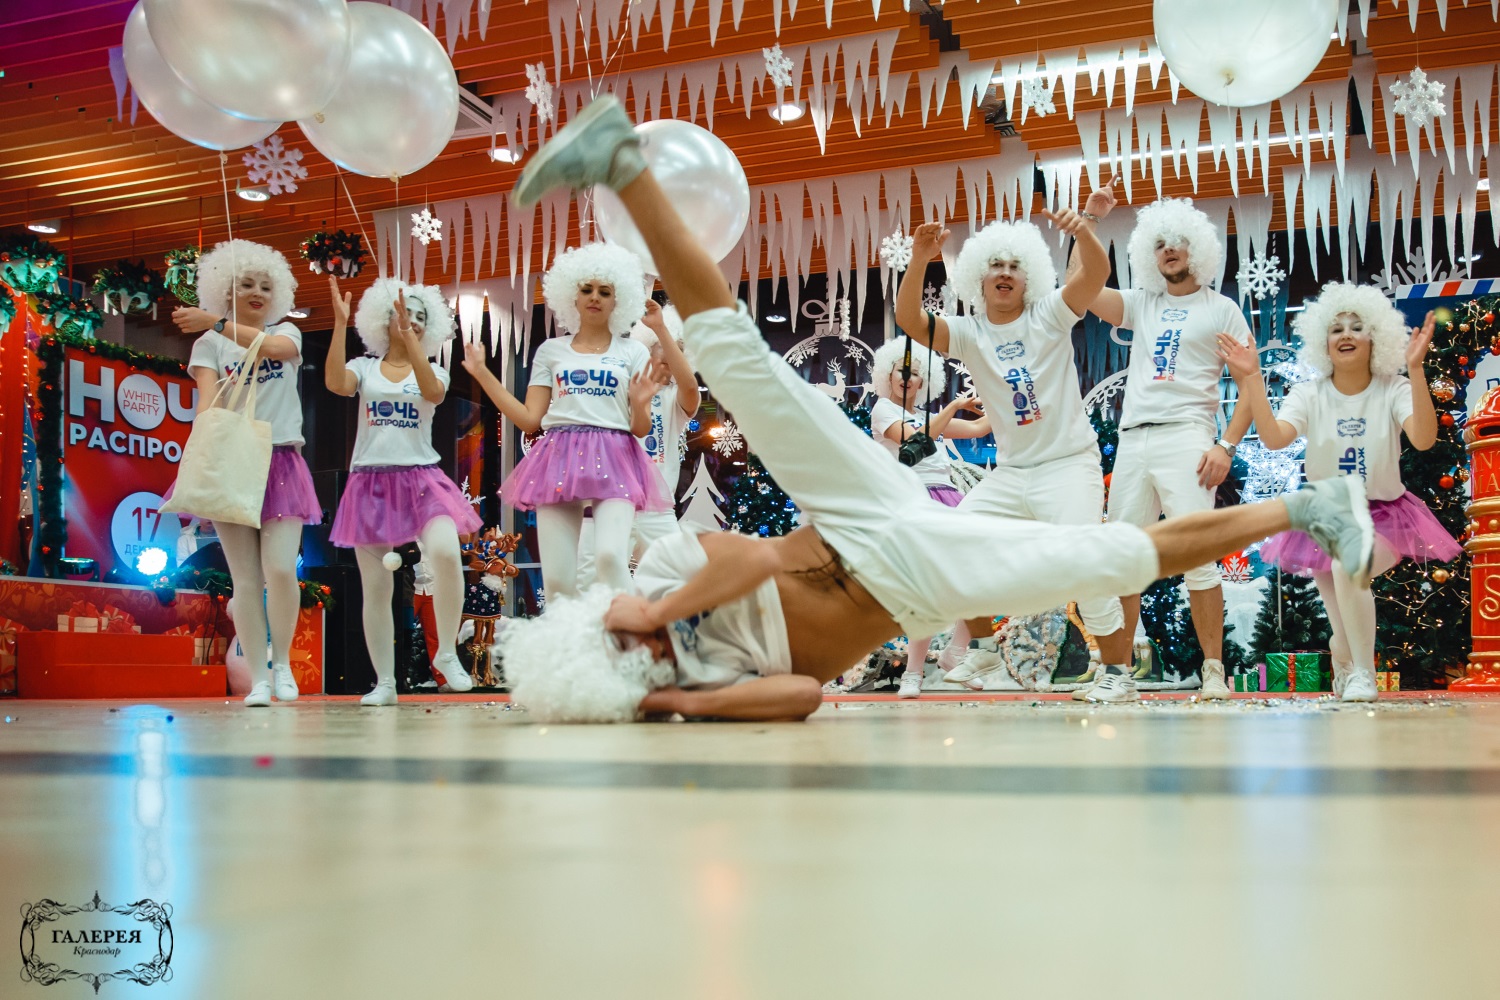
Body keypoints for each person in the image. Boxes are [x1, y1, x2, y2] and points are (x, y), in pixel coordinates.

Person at [494, 94, 1376, 723]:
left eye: (611, 638)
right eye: (623, 658)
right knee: (1108, 556)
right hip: (917, 577)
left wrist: (656, 615)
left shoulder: (658, 584)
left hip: (864, 510)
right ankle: (1308, 507)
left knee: (738, 362)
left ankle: (622, 163)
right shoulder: (700, 684)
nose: (630, 642)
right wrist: (676, 697)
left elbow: (754, 554)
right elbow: (800, 695)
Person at [890, 185, 1134, 692]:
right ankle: (982, 652)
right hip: (1013, 473)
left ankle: (1117, 675)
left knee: (1087, 570)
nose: (1004, 272)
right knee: (951, 544)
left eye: (1015, 266)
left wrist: (1085, 230)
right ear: (979, 278)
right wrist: (919, 261)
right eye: (995, 265)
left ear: (1029, 278)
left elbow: (1095, 275)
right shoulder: (969, 332)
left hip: (1068, 466)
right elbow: (910, 321)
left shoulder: (1050, 313)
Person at [1220, 283, 1459, 702]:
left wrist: (1416, 371)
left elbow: (1423, 439)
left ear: (1375, 338)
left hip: (1383, 515)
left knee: (1352, 564)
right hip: (1324, 515)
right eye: (1336, 329)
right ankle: (1344, 658)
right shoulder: (1309, 393)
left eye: (1356, 327)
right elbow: (1274, 439)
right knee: (1341, 615)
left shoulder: (1393, 388)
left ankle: (1363, 673)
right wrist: (1253, 378)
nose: (1345, 334)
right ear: (1323, 342)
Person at [1073, 195, 1256, 703]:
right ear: (1148, 254)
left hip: (1188, 435)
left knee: (1199, 558)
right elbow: (1080, 287)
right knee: (1123, 561)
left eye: (1177, 241)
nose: (1168, 250)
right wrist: (1089, 221)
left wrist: (1227, 445)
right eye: (1158, 244)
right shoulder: (1143, 303)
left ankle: (1214, 671)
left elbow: (1251, 382)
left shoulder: (1222, 309)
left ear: (1198, 248)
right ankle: (1118, 675)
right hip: (1134, 439)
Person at [462, 243, 670, 601]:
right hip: (559, 455)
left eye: (605, 291)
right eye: (586, 289)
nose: (595, 297)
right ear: (572, 296)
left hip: (616, 455)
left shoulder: (632, 352)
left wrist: (639, 403)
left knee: (610, 558)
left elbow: (640, 428)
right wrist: (483, 375)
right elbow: (529, 419)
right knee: (558, 579)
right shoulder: (551, 351)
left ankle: (626, 631)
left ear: (618, 301)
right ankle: (568, 636)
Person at [169, 239, 321, 708]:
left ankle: (282, 665)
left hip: (281, 461)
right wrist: (205, 457)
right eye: (247, 284)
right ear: (226, 289)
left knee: (281, 568)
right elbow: (206, 405)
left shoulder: (286, 332)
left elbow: (275, 348)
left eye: (266, 286)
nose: (257, 292)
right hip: (232, 461)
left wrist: (216, 322)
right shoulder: (208, 346)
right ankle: (258, 678)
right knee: (245, 579)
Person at [326, 276, 482, 706]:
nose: (410, 320)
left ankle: (446, 652)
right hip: (370, 481)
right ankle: (385, 683)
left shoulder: (433, 370)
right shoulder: (364, 368)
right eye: (402, 313)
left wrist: (412, 342)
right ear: (383, 319)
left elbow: (433, 393)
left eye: (419, 316)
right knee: (376, 587)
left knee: (446, 553)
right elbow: (336, 383)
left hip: (421, 477)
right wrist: (338, 323)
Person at [866, 336, 991, 697]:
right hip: (913, 498)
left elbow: (978, 429)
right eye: (901, 370)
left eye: (916, 373)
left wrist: (1004, 405)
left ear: (925, 381)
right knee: (925, 588)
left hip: (947, 497)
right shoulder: (883, 410)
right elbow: (915, 442)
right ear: (888, 375)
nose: (907, 378)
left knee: (978, 577)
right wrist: (954, 406)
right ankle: (913, 672)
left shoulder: (925, 416)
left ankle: (955, 653)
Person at [576, 300, 700, 585]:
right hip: (610, 502)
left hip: (657, 509)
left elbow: (690, 386)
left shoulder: (674, 398)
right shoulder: (618, 388)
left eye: (679, 351)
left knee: (674, 580)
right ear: (645, 349)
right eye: (664, 348)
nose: (671, 356)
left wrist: (661, 329)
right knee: (591, 583)